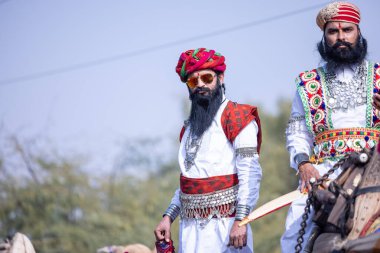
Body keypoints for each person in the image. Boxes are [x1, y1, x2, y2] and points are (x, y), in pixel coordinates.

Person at [281, 2, 380, 252]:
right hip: (324, 172)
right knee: (294, 235)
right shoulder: (308, 83)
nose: (341, 37)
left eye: (347, 30)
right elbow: (296, 131)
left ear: (358, 32)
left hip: (373, 169)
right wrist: (304, 164)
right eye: (333, 32)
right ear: (324, 38)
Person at [153, 48, 263, 253]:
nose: (200, 85)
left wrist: (241, 219)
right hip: (189, 229)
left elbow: (250, 171)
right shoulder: (188, 129)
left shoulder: (238, 117)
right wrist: (168, 217)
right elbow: (188, 181)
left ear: (220, 77)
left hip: (226, 227)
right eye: (193, 82)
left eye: (206, 77)